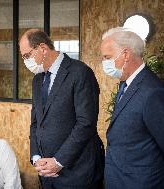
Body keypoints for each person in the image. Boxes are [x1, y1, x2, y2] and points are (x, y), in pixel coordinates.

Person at [100, 27, 164, 189]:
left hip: (143, 182)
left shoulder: (152, 91)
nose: (104, 63)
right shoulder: (126, 83)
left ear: (125, 54)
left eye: (107, 57)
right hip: (120, 177)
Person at [19, 29, 104, 189]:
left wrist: (59, 161)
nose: (25, 61)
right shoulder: (37, 79)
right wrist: (36, 156)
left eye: (26, 55)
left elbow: (86, 123)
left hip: (77, 172)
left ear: (43, 49)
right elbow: (36, 122)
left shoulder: (80, 72)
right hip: (47, 173)